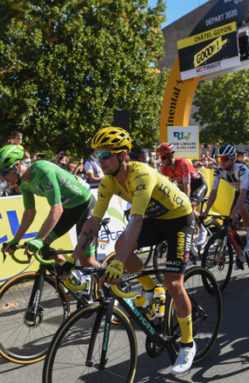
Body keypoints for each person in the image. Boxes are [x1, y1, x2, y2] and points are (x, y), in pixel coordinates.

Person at [70, 127, 197, 375]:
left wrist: (118, 263)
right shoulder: (108, 182)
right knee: (120, 248)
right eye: (97, 155)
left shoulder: (142, 175)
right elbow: (93, 222)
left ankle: (188, 343)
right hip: (155, 220)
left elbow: (135, 222)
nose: (100, 161)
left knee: (174, 283)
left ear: (123, 155)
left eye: (106, 154)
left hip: (179, 220)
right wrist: (74, 258)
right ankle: (151, 287)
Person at [0, 145, 99, 270]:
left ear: (16, 166)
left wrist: (39, 238)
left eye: (3, 172)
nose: (1, 178)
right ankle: (68, 276)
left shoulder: (42, 171)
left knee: (86, 261)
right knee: (43, 249)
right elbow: (29, 212)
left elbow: (57, 208)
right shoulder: (22, 183)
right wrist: (16, 240)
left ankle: (109, 284)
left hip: (85, 206)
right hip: (68, 210)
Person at [201, 144, 249, 254]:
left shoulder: (241, 169)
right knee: (230, 225)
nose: (222, 162)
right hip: (239, 192)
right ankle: (240, 252)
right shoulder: (218, 171)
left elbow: (243, 193)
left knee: (241, 209)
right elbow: (214, 192)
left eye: (225, 159)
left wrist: (235, 212)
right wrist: (206, 210)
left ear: (233, 159)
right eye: (219, 159)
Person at [156, 143, 209, 244]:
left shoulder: (182, 163)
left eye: (163, 157)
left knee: (190, 206)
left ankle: (202, 229)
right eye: (159, 157)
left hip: (198, 185)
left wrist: (186, 201)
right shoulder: (164, 168)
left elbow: (187, 185)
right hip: (183, 186)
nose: (161, 160)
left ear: (171, 156)